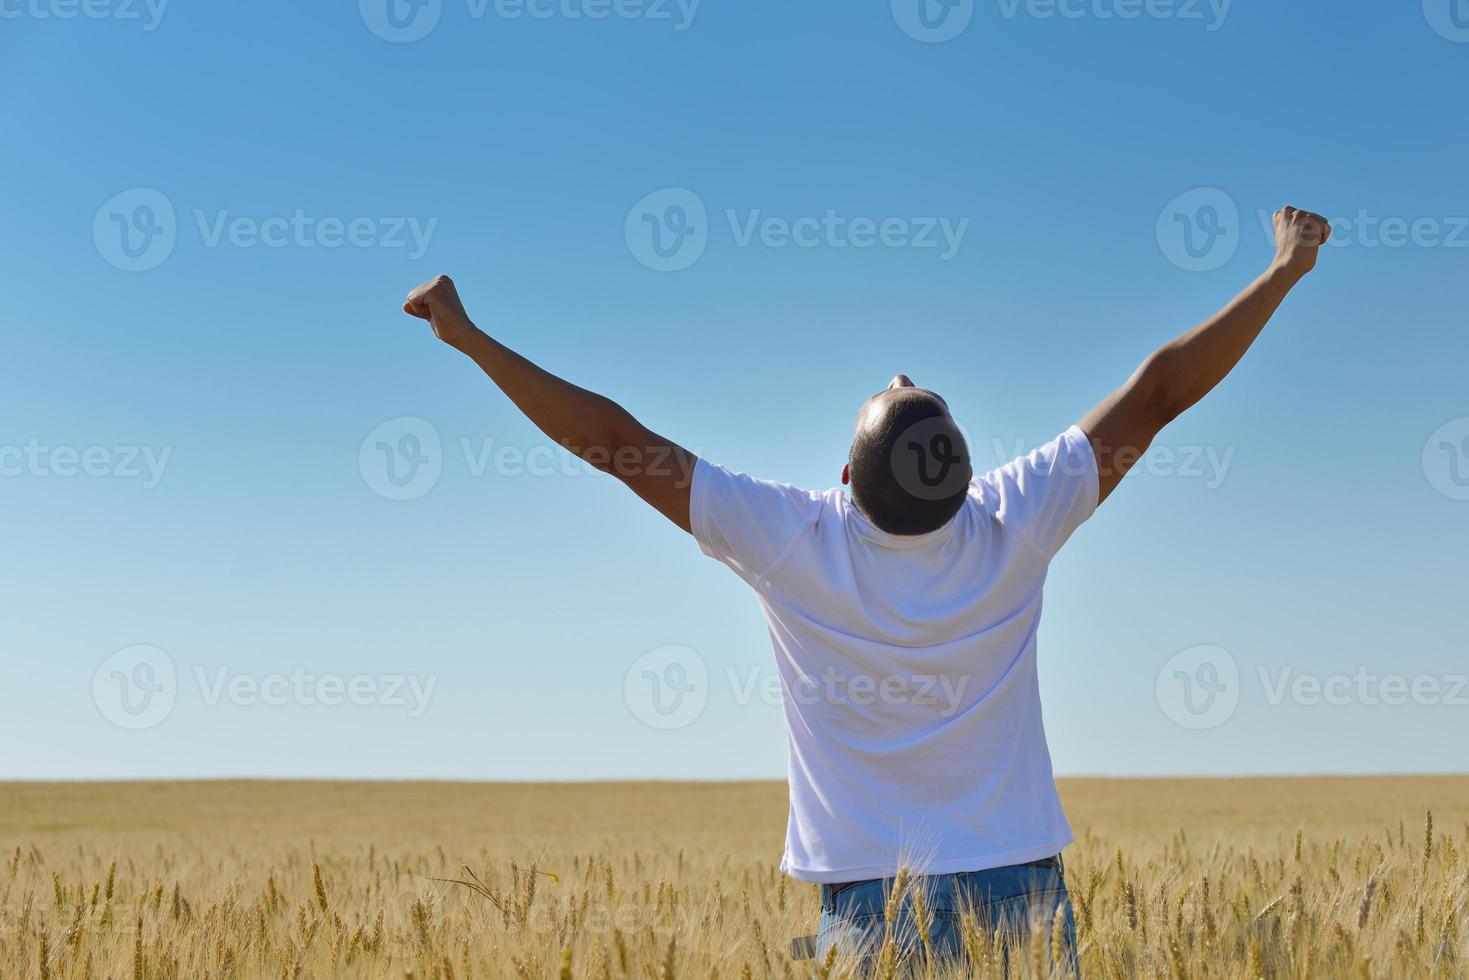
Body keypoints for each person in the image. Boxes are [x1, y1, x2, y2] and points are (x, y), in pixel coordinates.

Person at [401, 205, 1332, 972]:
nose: (898, 377)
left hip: (870, 900)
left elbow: (611, 442)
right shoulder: (1016, 520)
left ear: (843, 482)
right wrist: (1284, 271)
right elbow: (1161, 390)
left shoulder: (792, 538)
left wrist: (470, 339)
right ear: (964, 475)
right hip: (1022, 890)